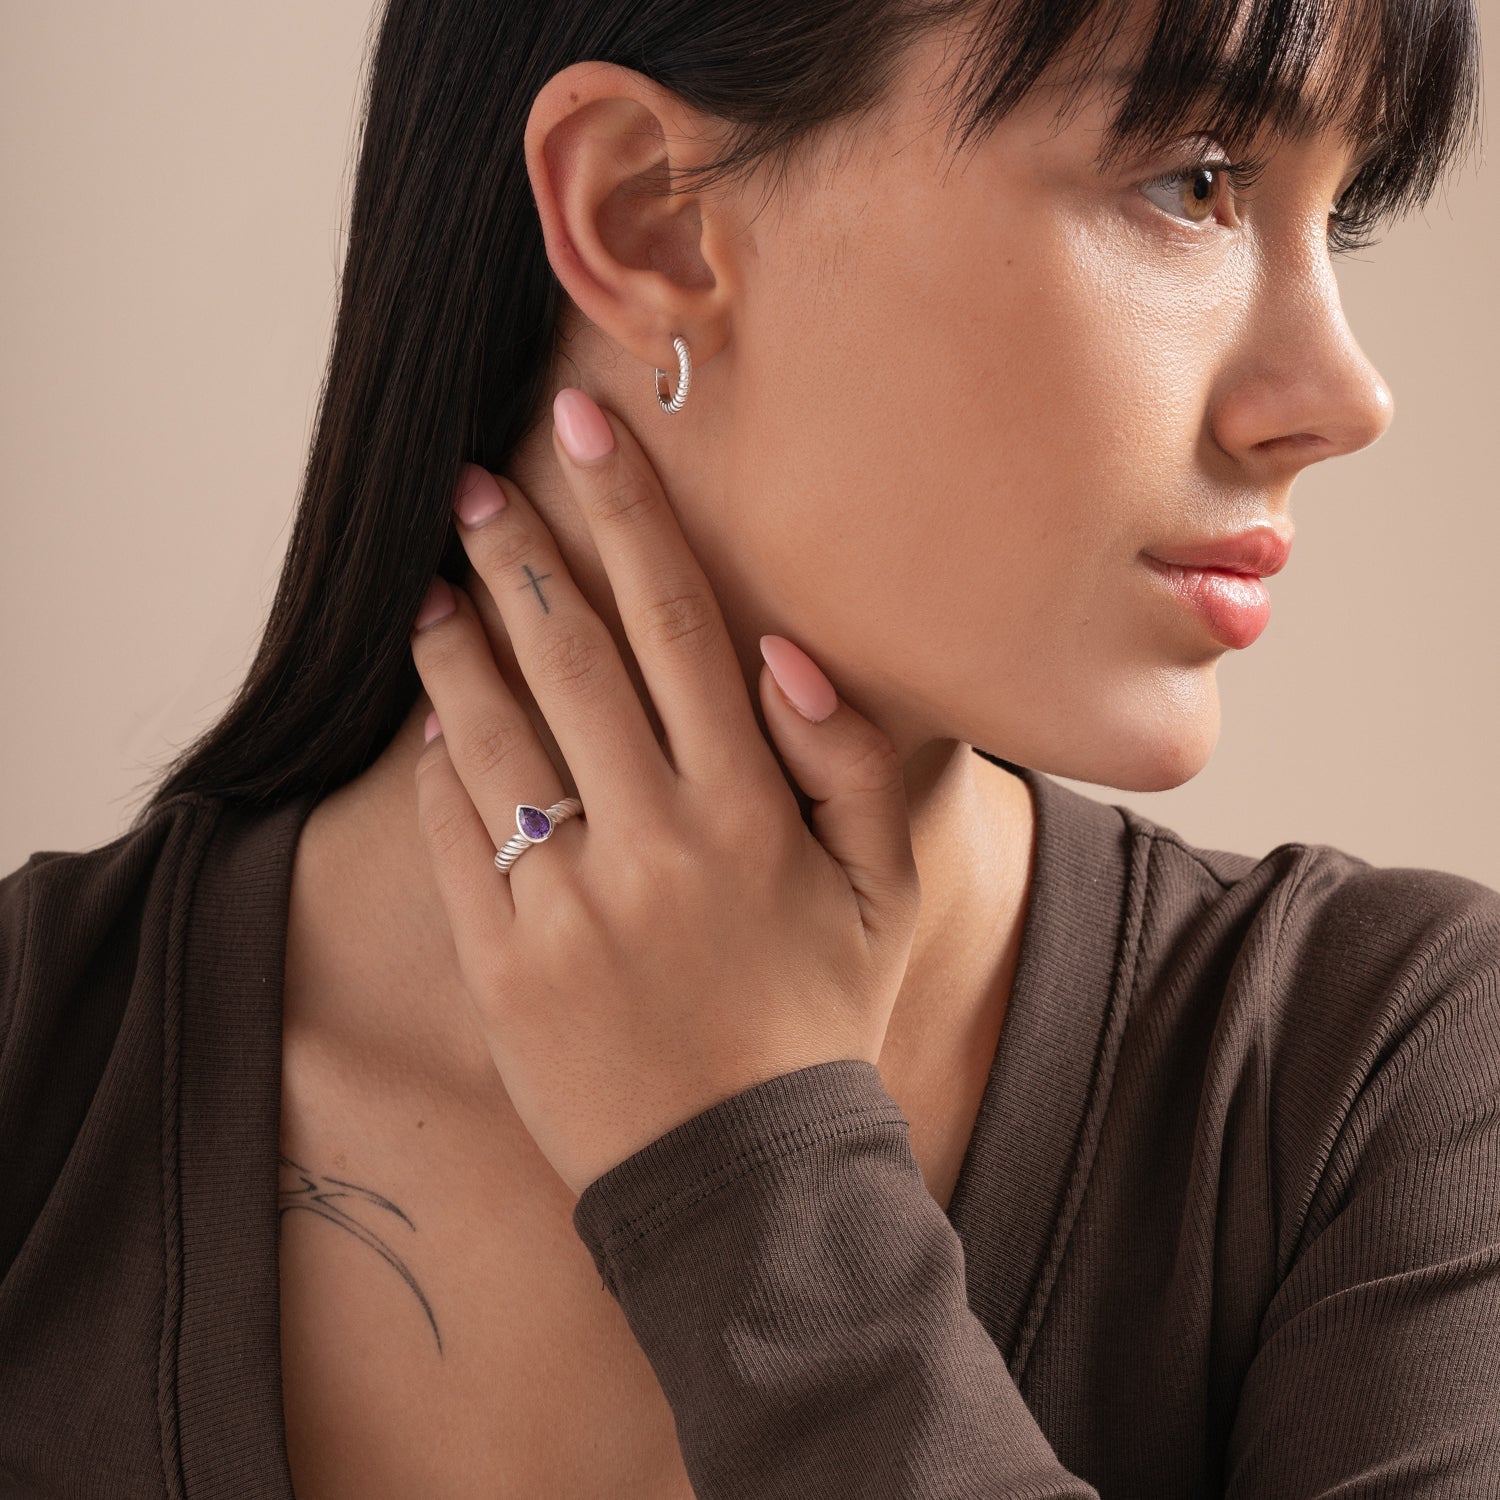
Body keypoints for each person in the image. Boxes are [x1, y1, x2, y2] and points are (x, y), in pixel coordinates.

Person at [2, 0, 1495, 1495]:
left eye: (1342, 215)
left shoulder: (1391, 1085)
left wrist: (757, 1176)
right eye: (1198, 181)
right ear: (647, 215)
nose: (1347, 397)